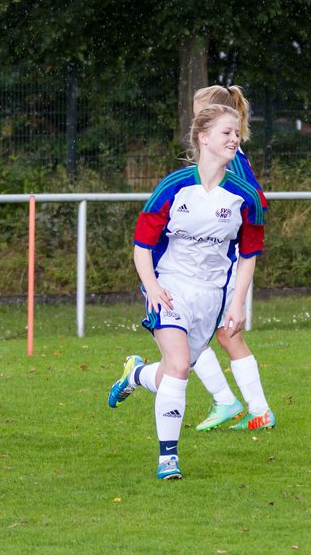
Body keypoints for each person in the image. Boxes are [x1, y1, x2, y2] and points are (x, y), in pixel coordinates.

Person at [107, 104, 266, 480]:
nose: (234, 139)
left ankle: (135, 376)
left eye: (236, 133)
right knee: (178, 366)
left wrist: (237, 302)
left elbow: (249, 255)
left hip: (211, 297)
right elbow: (141, 247)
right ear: (203, 137)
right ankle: (168, 458)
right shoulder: (173, 186)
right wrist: (154, 288)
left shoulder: (247, 197)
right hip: (170, 285)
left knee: (171, 374)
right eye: (227, 132)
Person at [186, 85, 276, 432]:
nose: (195, 122)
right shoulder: (224, 154)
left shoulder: (229, 157)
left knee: (188, 333)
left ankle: (228, 401)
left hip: (224, 261)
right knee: (225, 335)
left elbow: (256, 203)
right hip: (223, 259)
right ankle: (257, 409)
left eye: (199, 113)